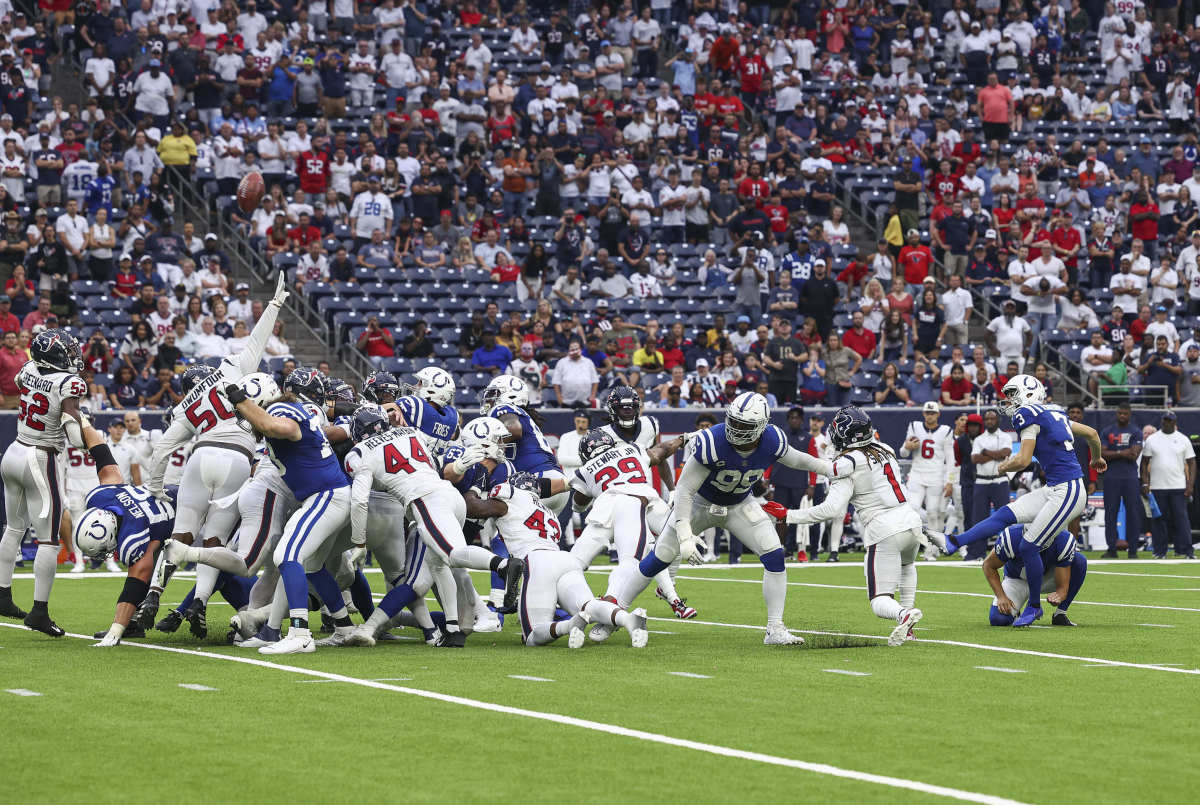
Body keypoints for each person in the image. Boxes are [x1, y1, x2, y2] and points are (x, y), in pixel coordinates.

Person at [610, 392, 832, 645]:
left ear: (761, 427)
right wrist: (685, 536)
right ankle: (614, 613)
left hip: (739, 503)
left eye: (743, 425)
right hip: (699, 504)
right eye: (733, 422)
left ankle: (775, 628)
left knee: (774, 554)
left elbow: (799, 459)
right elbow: (684, 491)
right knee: (658, 559)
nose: (735, 429)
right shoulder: (712, 440)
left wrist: (830, 469)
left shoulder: (773, 439)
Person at [137, 276, 288, 631]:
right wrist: (275, 304)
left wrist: (156, 490)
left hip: (202, 455)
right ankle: (199, 604)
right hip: (237, 458)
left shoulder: (187, 403)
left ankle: (155, 593)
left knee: (182, 535)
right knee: (213, 543)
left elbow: (161, 450)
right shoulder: (236, 371)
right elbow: (258, 339)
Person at [764, 406, 934, 647]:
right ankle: (908, 624)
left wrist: (788, 515)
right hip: (911, 521)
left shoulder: (846, 463)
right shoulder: (885, 448)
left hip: (884, 527)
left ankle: (903, 615)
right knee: (907, 566)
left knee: (879, 601)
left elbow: (829, 508)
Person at [946, 374, 1106, 626]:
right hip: (1055, 487)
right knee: (1004, 515)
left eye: (1012, 394)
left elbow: (1022, 460)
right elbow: (1093, 434)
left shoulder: (1028, 414)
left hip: (1068, 489)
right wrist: (1096, 458)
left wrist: (1002, 467)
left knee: (1029, 546)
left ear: (1028, 393)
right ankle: (955, 541)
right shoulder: (1054, 412)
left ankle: (1034, 607)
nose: (1008, 400)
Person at [0, 329, 89, 636]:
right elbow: (74, 435)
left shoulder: (27, 369)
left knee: (13, 527)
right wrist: (84, 430)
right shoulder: (67, 383)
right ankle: (39, 611)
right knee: (49, 540)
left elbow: (23, 383)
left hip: (14, 450)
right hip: (40, 457)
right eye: (66, 352)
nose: (72, 357)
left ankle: (2, 595)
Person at [984, 525, 1088, 628]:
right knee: (999, 619)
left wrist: (1060, 594)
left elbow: (1063, 588)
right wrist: (1001, 596)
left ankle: (1060, 613)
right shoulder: (1011, 536)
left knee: (1079, 561)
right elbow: (988, 566)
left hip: (1046, 578)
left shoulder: (1063, 539)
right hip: (1018, 579)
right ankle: (1018, 612)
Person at [1141, 411, 1195, 559]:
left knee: (1181, 519)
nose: (1166, 422)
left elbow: (1192, 463)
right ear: (1161, 421)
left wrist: (1190, 484)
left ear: (1174, 421)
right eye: (1164, 420)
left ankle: (1187, 551)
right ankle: (1160, 551)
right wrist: (1145, 482)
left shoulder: (1183, 439)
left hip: (1178, 486)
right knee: (1159, 520)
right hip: (1158, 487)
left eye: (1169, 420)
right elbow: (1144, 463)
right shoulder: (1152, 439)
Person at [900, 401, 955, 546]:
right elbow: (903, 453)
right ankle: (910, 544)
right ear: (923, 413)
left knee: (932, 512)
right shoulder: (914, 426)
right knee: (912, 508)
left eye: (933, 413)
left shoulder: (946, 431)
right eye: (927, 413)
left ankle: (932, 548)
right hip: (917, 474)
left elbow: (951, 459)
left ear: (938, 414)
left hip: (936, 476)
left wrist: (950, 481)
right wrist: (907, 446)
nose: (930, 416)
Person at [1099, 402, 1143, 559]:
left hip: (1130, 477)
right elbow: (1102, 454)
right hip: (1111, 477)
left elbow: (1134, 455)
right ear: (1116, 414)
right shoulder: (1107, 431)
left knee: (1133, 514)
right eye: (1120, 413)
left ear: (1130, 414)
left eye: (1125, 413)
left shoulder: (1136, 432)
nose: (1122, 416)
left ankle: (1133, 550)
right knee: (1110, 514)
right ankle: (1112, 548)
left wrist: (1113, 452)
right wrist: (1122, 452)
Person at [970, 409, 1013, 561]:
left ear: (998, 420)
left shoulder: (1005, 436)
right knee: (979, 519)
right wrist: (996, 455)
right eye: (987, 419)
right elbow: (975, 459)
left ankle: (1009, 550)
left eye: (992, 418)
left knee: (1005, 517)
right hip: (981, 481)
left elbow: (1006, 453)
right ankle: (977, 553)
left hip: (999, 481)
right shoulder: (979, 439)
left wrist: (986, 452)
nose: (989, 421)